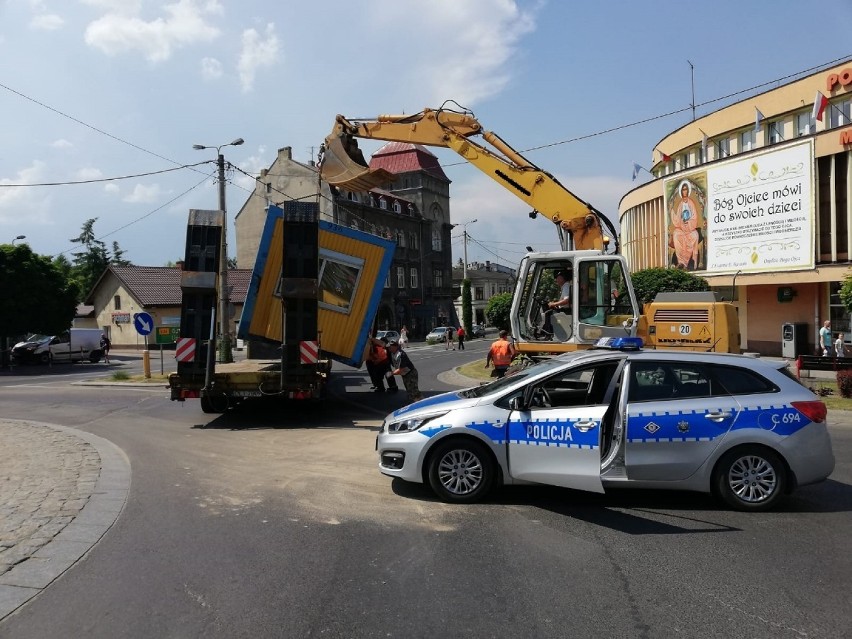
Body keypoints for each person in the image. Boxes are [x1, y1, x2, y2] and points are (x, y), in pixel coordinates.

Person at [669, 180, 702, 270]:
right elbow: (677, 220)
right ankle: (681, 262)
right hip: (682, 229)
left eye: (686, 189)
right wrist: (672, 212)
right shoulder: (680, 204)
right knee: (676, 234)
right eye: (683, 190)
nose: (684, 191)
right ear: (681, 191)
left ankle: (692, 262)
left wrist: (689, 222)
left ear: (688, 191)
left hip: (690, 228)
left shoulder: (691, 203)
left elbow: (695, 217)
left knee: (695, 235)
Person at [541, 269, 572, 338]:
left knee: (548, 314)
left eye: (557, 277)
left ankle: (548, 334)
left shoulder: (566, 286)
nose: (556, 280)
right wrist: (556, 303)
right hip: (565, 310)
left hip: (566, 311)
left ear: (562, 278)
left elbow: (566, 300)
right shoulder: (565, 286)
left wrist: (554, 304)